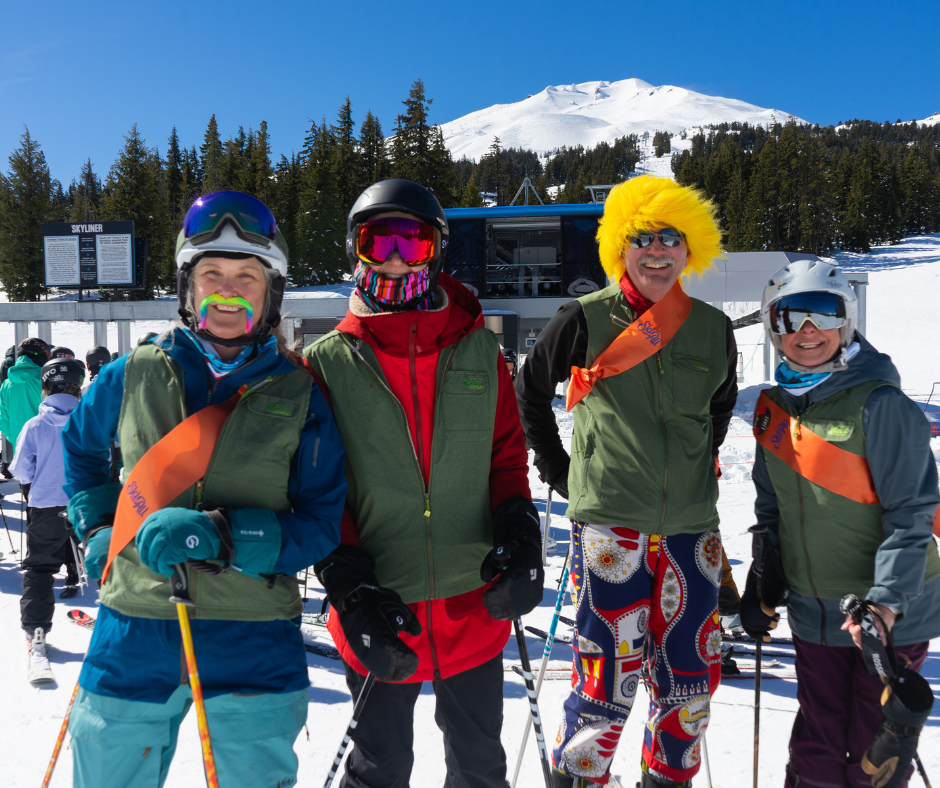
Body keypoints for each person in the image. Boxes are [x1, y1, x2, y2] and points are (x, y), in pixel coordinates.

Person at [61, 190, 348, 788]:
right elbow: (80, 450)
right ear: (188, 288)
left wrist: (225, 534)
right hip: (133, 621)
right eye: (211, 273)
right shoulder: (133, 372)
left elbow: (321, 521)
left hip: (253, 628)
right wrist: (94, 526)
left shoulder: (299, 393)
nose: (228, 290)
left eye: (247, 276)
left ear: (271, 294)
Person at [305, 179, 542, 788]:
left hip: (475, 602)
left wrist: (519, 527)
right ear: (355, 249)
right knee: (380, 766)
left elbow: (505, 457)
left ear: (435, 251)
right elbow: (318, 486)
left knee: (479, 764)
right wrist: (350, 585)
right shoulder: (327, 363)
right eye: (376, 240)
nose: (393, 256)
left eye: (413, 242)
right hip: (382, 609)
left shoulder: (477, 351)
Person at [515, 175, 738, 788]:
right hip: (610, 525)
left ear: (692, 248)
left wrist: (693, 470)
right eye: (643, 238)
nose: (658, 250)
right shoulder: (582, 320)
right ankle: (581, 777)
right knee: (606, 674)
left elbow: (718, 414)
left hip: (693, 530)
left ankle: (668, 779)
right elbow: (529, 394)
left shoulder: (713, 328)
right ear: (621, 247)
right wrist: (557, 468)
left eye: (672, 237)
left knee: (690, 679)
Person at [740, 260, 940, 788]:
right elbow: (770, 506)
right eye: (791, 317)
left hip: (886, 617)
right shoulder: (773, 409)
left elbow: (913, 512)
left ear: (846, 322)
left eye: (823, 313)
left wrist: (886, 602)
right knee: (817, 744)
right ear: (772, 327)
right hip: (814, 609)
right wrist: (765, 576)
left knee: (872, 749)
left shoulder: (882, 404)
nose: (808, 331)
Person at [11, 358, 86, 678]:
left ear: (46, 387)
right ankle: (123, 622)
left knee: (40, 568)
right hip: (86, 503)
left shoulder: (35, 425)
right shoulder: (88, 420)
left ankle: (36, 629)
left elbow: (21, 469)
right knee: (108, 560)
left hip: (46, 505)